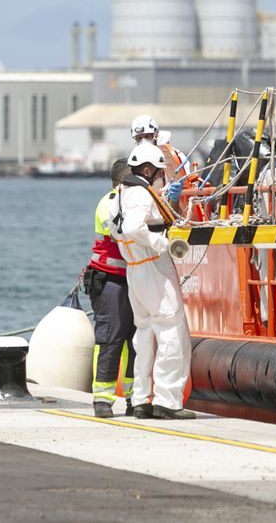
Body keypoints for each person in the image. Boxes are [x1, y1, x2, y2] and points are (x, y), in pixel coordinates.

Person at [109, 142, 194, 420]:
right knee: (171, 331)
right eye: (159, 172)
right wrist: (161, 243)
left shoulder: (119, 194)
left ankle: (142, 398)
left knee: (144, 334)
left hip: (135, 269)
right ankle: (168, 400)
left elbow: (117, 230)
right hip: (153, 267)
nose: (161, 177)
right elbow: (133, 227)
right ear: (148, 170)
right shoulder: (140, 194)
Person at [86, 158, 135, 419]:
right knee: (110, 338)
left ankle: (135, 397)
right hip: (110, 281)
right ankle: (102, 399)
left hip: (134, 279)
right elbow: (122, 233)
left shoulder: (135, 201)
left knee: (136, 341)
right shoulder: (108, 204)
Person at [131, 114, 190, 180]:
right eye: (139, 138)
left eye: (147, 136)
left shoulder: (175, 156)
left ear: (156, 134)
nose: (144, 141)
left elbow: (186, 182)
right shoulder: (136, 159)